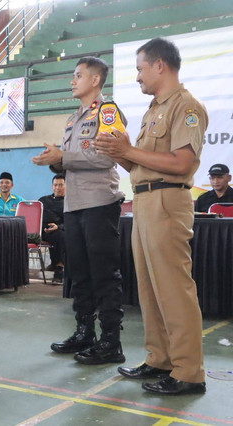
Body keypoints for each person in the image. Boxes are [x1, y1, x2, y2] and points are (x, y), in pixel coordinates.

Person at [95, 38, 208, 395]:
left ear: (160, 65)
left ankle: (189, 372)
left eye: (141, 68)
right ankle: (160, 358)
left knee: (174, 289)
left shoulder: (186, 107)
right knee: (149, 288)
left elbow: (183, 163)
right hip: (143, 202)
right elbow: (141, 163)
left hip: (167, 203)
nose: (138, 76)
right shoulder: (152, 111)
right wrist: (120, 152)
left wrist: (129, 149)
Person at [32, 56, 126, 365]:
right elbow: (70, 160)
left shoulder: (108, 113)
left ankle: (111, 342)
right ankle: (84, 333)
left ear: (95, 80)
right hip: (74, 205)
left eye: (78, 75)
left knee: (104, 275)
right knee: (80, 275)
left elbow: (107, 158)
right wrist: (55, 159)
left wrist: (65, 157)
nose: (72, 81)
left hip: (99, 203)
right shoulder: (73, 119)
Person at [38, 174, 66, 283]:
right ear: (52, 186)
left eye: (61, 185)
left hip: (59, 229)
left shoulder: (69, 202)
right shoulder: (43, 200)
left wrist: (58, 226)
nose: (57, 188)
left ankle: (59, 268)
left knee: (61, 236)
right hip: (41, 230)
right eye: (55, 185)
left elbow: (71, 221)